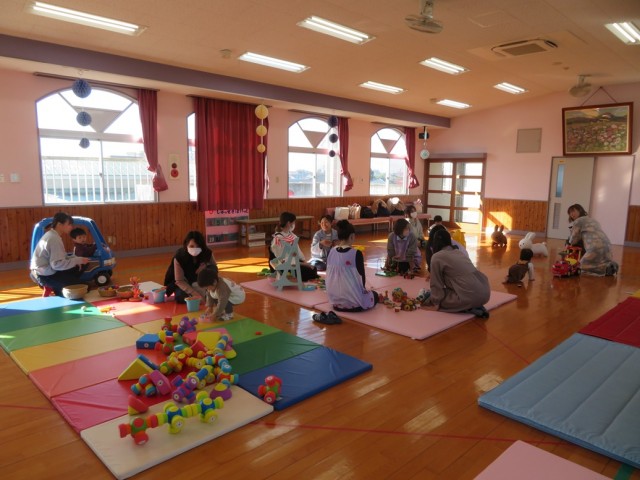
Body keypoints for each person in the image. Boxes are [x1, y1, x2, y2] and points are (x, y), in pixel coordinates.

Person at [422, 229, 491, 317]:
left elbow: (436, 284)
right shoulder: (458, 252)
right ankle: (474, 305)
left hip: (469, 296)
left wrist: (435, 303)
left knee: (432, 298)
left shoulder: (437, 256)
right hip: (485, 293)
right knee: (444, 293)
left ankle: (469, 307)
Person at [30, 211, 89, 297]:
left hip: (47, 271)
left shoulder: (53, 235)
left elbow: (61, 257)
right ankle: (54, 286)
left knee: (82, 265)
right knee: (85, 287)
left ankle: (60, 285)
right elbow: (57, 264)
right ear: (59, 224)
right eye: (69, 224)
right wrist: (77, 260)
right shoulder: (53, 238)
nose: (71, 227)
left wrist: (76, 259)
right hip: (45, 275)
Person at [325, 220, 379, 312]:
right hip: (354, 304)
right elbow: (362, 280)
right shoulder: (356, 253)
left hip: (335, 302)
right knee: (375, 295)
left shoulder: (331, 251)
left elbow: (329, 274)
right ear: (352, 236)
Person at [164, 231, 216, 303]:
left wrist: (206, 268)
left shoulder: (207, 253)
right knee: (181, 296)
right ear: (186, 245)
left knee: (214, 293)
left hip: (198, 280)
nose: (195, 249)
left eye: (198, 246)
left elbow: (214, 269)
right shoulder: (179, 256)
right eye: (192, 246)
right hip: (183, 282)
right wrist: (196, 294)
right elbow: (179, 281)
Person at [567, 204, 618, 276]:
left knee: (580, 267)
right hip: (608, 245)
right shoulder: (593, 220)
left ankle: (604, 269)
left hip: (595, 247)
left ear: (580, 210)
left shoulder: (578, 221)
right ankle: (609, 265)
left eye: (573, 211)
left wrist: (569, 239)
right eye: (570, 213)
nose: (572, 214)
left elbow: (573, 240)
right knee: (601, 260)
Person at [269, 211, 318, 281]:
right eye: (294, 222)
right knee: (310, 272)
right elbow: (282, 260)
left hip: (292, 261)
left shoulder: (291, 235)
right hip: (282, 264)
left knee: (313, 268)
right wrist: (303, 264)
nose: (294, 224)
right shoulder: (278, 239)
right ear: (289, 223)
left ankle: (291, 275)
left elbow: (298, 252)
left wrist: (304, 262)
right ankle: (284, 275)